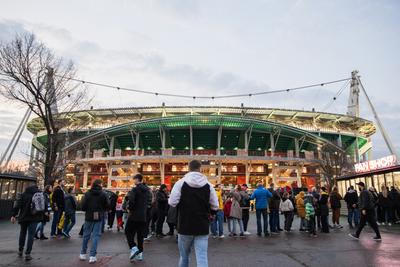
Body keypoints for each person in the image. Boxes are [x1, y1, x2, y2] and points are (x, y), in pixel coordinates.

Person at [169, 160, 219, 267]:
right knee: (202, 257)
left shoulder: (180, 183)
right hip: (202, 225)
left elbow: (172, 202)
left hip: (184, 224)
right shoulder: (208, 185)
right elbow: (215, 205)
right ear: (200, 168)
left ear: (188, 168)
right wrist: (212, 212)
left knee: (184, 256)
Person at [11, 183, 45, 261]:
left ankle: (20, 250)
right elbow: (43, 206)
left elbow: (17, 206)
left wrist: (13, 215)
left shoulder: (23, 194)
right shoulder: (39, 194)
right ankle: (28, 254)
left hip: (23, 217)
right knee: (31, 235)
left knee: (22, 233)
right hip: (34, 217)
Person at [79, 179, 109, 263]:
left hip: (88, 216)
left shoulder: (87, 194)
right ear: (100, 184)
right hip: (99, 216)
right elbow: (107, 205)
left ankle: (83, 253)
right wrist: (103, 209)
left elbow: (83, 206)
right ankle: (92, 256)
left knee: (86, 235)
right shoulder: (103, 194)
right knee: (96, 236)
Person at [125, 174, 151, 262]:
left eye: (134, 179)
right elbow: (149, 202)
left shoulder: (135, 189)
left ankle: (133, 247)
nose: (133, 181)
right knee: (140, 235)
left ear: (137, 179)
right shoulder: (147, 190)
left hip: (134, 215)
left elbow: (131, 201)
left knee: (128, 231)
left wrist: (129, 208)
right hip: (143, 215)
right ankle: (140, 254)